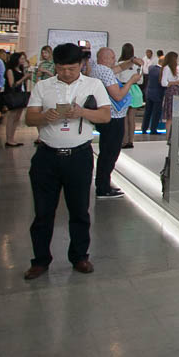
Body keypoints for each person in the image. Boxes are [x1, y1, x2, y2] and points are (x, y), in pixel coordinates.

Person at [22, 43, 113, 280]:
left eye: (71, 68)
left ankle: (80, 256)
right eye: (61, 69)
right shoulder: (43, 86)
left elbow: (105, 116)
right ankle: (40, 260)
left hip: (79, 156)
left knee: (80, 210)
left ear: (81, 65)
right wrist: (44, 116)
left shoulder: (93, 85)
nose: (66, 73)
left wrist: (82, 113)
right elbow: (29, 118)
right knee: (43, 212)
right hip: (47, 156)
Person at [91, 48, 139, 200]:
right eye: (112, 57)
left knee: (107, 152)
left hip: (110, 117)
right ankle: (103, 187)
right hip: (113, 118)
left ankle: (104, 184)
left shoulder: (98, 69)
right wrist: (131, 81)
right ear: (104, 58)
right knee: (109, 154)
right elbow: (118, 95)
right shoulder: (104, 71)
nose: (114, 59)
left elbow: (118, 68)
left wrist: (131, 61)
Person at [115, 43, 143, 149]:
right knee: (132, 118)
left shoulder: (119, 64)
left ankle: (124, 141)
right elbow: (141, 80)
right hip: (135, 90)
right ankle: (131, 141)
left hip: (124, 88)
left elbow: (116, 79)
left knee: (124, 117)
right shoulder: (138, 65)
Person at [2, 51, 32, 147]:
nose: (23, 60)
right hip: (13, 94)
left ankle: (12, 137)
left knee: (17, 117)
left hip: (20, 94)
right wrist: (24, 78)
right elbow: (12, 84)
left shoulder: (21, 69)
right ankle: (9, 139)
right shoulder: (10, 70)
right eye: (21, 58)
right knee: (12, 117)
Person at [160, 51, 179, 134]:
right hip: (171, 92)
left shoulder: (174, 69)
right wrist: (176, 82)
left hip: (175, 91)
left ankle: (172, 135)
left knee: (174, 115)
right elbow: (163, 83)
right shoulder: (167, 68)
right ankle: (168, 136)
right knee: (170, 116)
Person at [141, 56, 165, 135]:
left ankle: (144, 128)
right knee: (156, 113)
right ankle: (153, 129)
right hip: (158, 94)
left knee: (147, 112)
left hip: (149, 92)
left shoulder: (151, 68)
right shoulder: (161, 71)